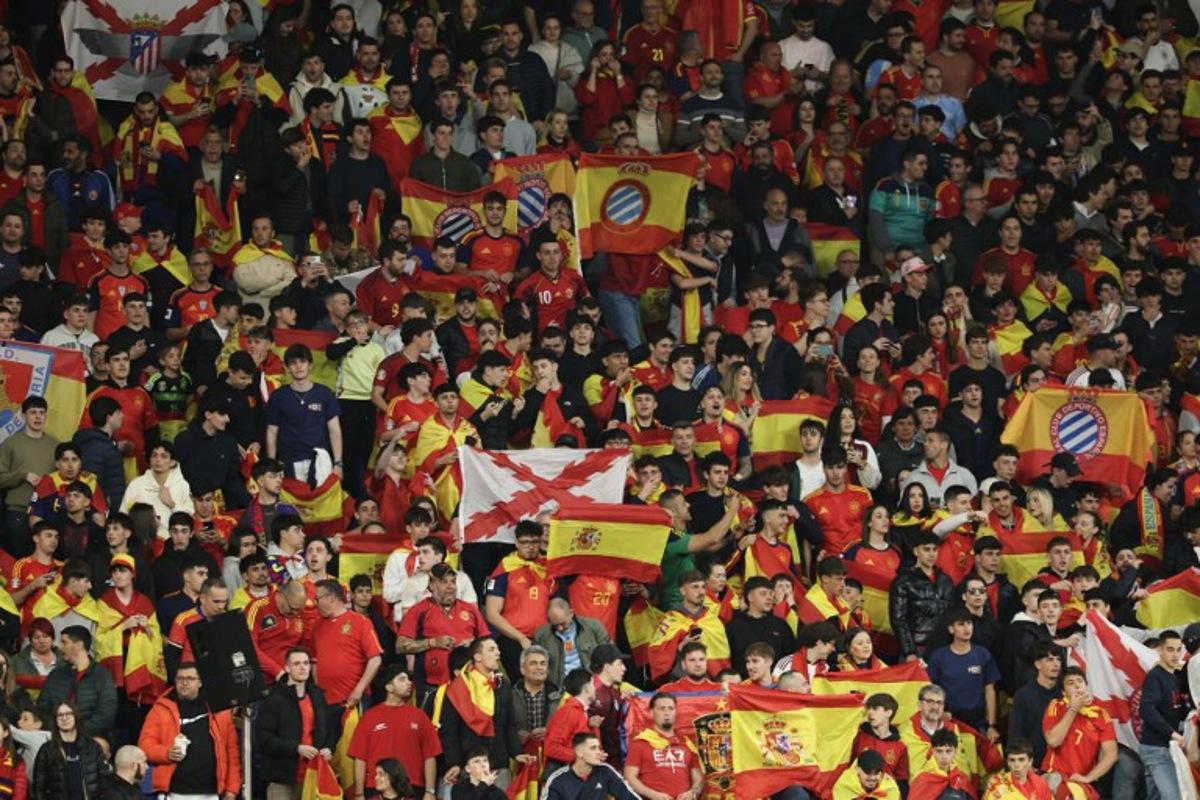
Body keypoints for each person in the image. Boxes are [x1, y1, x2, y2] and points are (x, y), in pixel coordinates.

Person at [138, 662, 241, 800]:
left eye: (190, 679)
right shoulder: (160, 709)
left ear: (200, 682)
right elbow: (144, 745)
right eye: (180, 679)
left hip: (211, 793)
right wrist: (166, 753)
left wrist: (232, 789)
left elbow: (232, 753)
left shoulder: (219, 710)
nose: (184, 683)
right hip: (173, 792)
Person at [255, 647, 337, 800]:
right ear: (287, 668)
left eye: (306, 663)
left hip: (314, 779)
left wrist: (328, 748)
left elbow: (330, 730)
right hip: (282, 781)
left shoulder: (318, 696)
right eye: (297, 663)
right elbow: (264, 739)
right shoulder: (273, 699)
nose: (302, 667)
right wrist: (296, 748)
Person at [349, 664, 440, 798]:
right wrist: (359, 794)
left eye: (409, 679)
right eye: (402, 679)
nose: (409, 683)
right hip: (376, 788)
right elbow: (360, 758)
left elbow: (430, 755)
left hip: (412, 787)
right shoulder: (369, 717)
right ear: (389, 687)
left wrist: (430, 791)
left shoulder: (420, 716)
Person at [624, 692, 704, 800]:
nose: (667, 712)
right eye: (662, 708)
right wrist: (653, 795)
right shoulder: (640, 742)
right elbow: (629, 778)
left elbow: (699, 779)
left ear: (675, 712)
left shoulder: (687, 743)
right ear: (652, 713)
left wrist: (692, 793)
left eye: (670, 708)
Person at [1139, 630, 1188, 800]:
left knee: (1156, 796)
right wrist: (1173, 734)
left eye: (1178, 649)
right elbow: (1146, 710)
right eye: (1170, 649)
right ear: (1159, 650)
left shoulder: (1172, 677)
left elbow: (1176, 709)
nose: (1175, 655)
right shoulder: (1155, 677)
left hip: (1162, 747)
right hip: (1156, 748)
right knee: (1173, 796)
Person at [32, 701, 108, 799]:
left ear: (76, 717)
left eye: (68, 714)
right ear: (55, 720)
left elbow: (105, 781)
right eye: (60, 715)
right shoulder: (46, 750)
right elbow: (39, 788)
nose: (64, 718)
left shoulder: (92, 747)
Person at [543, 732, 640, 800]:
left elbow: (630, 796)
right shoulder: (558, 780)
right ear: (579, 752)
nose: (599, 752)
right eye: (593, 748)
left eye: (599, 748)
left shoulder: (605, 771)